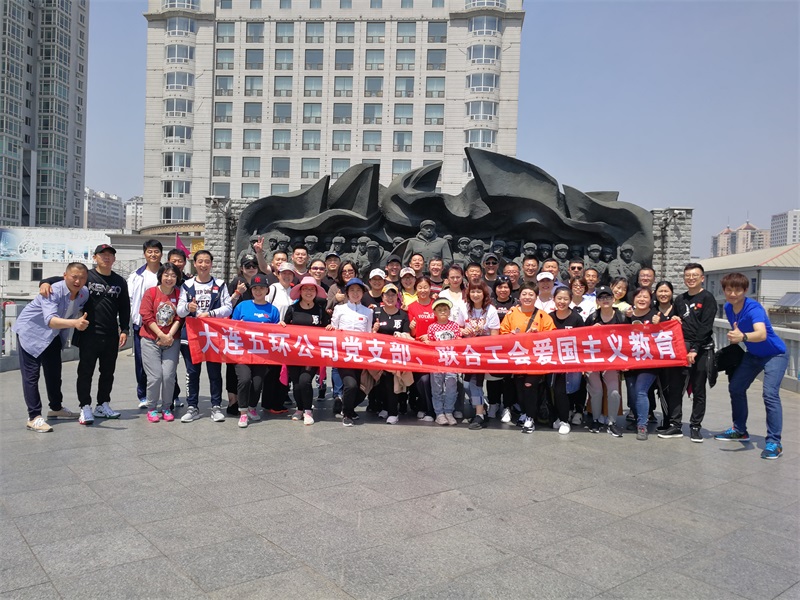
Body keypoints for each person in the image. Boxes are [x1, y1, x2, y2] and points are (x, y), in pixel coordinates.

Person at [39, 244, 130, 424]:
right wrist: (45, 282)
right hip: (88, 332)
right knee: (85, 371)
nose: (106, 257)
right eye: (102, 254)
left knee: (108, 372)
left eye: (110, 255)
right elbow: (61, 279)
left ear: (114, 259)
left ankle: (102, 404)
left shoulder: (120, 281)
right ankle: (85, 406)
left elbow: (124, 307)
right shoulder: (85, 276)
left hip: (110, 333)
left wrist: (125, 329)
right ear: (95, 257)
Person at [715, 272, 788, 459]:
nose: (733, 294)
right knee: (736, 387)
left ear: (745, 290)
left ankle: (774, 442)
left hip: (775, 354)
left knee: (770, 394)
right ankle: (739, 430)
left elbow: (761, 334)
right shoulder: (729, 308)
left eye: (737, 290)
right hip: (753, 354)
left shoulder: (754, 308)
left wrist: (743, 337)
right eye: (729, 290)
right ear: (724, 291)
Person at [14, 263, 90, 432]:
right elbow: (50, 320)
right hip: (31, 332)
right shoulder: (52, 291)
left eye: (82, 278)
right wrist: (75, 323)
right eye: (74, 277)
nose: (78, 281)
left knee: (54, 373)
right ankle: (34, 417)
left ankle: (56, 408)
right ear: (65, 276)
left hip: (53, 335)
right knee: (31, 375)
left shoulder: (84, 293)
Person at [176, 250, 233, 423]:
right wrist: (188, 307)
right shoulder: (187, 285)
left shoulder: (220, 284)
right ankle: (192, 406)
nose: (203, 265)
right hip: (192, 334)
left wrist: (211, 313)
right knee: (192, 372)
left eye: (207, 261)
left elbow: (228, 307)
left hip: (213, 335)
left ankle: (216, 406)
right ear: (194, 264)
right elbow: (179, 310)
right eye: (200, 261)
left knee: (215, 372)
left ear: (211, 264)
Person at [499, 281, 556, 433]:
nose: (527, 297)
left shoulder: (543, 315)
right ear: (519, 296)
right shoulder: (511, 314)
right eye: (524, 294)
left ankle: (531, 417)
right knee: (519, 387)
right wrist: (511, 335)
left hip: (536, 361)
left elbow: (552, 336)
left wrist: (539, 335)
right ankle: (524, 412)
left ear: (536, 297)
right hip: (518, 359)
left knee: (529, 386)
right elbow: (502, 333)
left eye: (531, 294)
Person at [230, 274, 282, 428]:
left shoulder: (273, 310)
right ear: (251, 290)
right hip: (242, 352)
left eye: (262, 288)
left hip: (262, 354)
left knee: (258, 383)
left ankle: (252, 407)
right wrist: (238, 326)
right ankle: (243, 411)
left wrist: (281, 326)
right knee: (245, 379)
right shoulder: (242, 306)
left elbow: (276, 332)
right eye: (255, 288)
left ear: (267, 290)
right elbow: (231, 328)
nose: (258, 291)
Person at [674, 262, 716, 442]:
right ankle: (675, 424)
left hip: (701, 349)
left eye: (694, 275)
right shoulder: (680, 299)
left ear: (702, 278)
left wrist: (695, 349)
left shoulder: (707, 298)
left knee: (699, 389)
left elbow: (706, 326)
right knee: (677, 388)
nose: (691, 279)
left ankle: (695, 426)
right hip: (681, 349)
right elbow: (675, 321)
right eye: (688, 276)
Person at [139, 263, 183, 423]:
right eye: (166, 275)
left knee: (169, 376)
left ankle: (166, 407)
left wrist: (169, 335)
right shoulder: (151, 292)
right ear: (160, 276)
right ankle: (151, 408)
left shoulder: (179, 294)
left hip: (172, 340)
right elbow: (146, 316)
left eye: (173, 275)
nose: (169, 278)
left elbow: (179, 317)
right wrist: (160, 334)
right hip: (151, 339)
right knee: (155, 376)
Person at [328, 278, 373, 426]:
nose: (355, 293)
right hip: (343, 355)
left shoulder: (368, 312)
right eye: (352, 290)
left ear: (363, 293)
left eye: (358, 290)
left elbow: (368, 334)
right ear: (347, 293)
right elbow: (334, 328)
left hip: (360, 356)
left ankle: (350, 409)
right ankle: (346, 414)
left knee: (359, 387)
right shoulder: (339, 309)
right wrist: (330, 329)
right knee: (350, 385)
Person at [584, 286, 626, 437]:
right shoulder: (592, 318)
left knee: (614, 392)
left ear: (613, 299)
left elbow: (629, 339)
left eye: (608, 297)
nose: (605, 300)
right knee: (596, 390)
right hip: (594, 359)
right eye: (601, 298)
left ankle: (611, 422)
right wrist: (591, 330)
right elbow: (582, 339)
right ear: (597, 301)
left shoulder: (621, 317)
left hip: (613, 361)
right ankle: (595, 419)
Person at [128, 239, 163, 408]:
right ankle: (143, 396)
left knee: (168, 364)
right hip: (142, 325)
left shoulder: (167, 273)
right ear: (144, 254)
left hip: (165, 326)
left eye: (156, 251)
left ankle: (172, 395)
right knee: (141, 362)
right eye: (150, 251)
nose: (153, 254)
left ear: (161, 254)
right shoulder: (136, 276)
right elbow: (129, 299)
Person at [224, 253, 260, 415]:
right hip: (235, 333)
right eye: (247, 266)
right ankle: (233, 400)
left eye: (254, 265)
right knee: (233, 368)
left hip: (254, 335)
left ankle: (246, 400)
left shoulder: (259, 283)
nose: (251, 268)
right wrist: (237, 293)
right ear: (241, 268)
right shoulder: (236, 282)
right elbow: (226, 306)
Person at [371, 283, 413, 424]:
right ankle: (385, 407)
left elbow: (406, 335)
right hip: (379, 354)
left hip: (396, 355)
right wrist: (374, 330)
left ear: (397, 298)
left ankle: (393, 412)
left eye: (393, 295)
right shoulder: (376, 313)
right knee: (380, 381)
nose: (390, 298)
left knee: (390, 379)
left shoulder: (403, 315)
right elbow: (368, 334)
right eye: (387, 295)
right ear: (382, 297)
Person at [461, 281, 500, 429]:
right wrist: (462, 331)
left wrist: (481, 337)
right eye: (472, 291)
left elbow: (495, 334)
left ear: (484, 294)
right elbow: (457, 327)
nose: (475, 295)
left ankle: (479, 415)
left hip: (483, 352)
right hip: (468, 351)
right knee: (466, 384)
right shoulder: (464, 308)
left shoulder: (491, 310)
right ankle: (481, 406)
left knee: (475, 382)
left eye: (479, 291)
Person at [652, 281, 687, 439]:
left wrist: (679, 321)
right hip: (659, 358)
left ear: (671, 293)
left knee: (675, 390)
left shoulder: (678, 309)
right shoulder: (653, 311)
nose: (663, 294)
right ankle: (667, 421)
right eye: (660, 291)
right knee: (663, 390)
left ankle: (676, 423)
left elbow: (687, 328)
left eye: (666, 291)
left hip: (676, 358)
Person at [549, 286, 585, 435]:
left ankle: (565, 421)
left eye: (565, 299)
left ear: (570, 300)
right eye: (559, 298)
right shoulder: (549, 317)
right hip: (551, 361)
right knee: (551, 390)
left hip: (570, 361)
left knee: (562, 390)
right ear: (554, 299)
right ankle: (558, 416)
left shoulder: (576, 318)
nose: (562, 301)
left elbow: (582, 341)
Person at [624, 287, 659, 440]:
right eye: (639, 296)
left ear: (650, 300)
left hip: (649, 362)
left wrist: (659, 324)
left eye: (645, 297)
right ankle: (639, 418)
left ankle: (642, 426)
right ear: (633, 299)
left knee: (640, 391)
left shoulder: (656, 316)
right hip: (631, 362)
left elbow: (666, 334)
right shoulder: (628, 316)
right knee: (632, 394)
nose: (642, 299)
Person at [424, 298, 462, 426]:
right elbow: (430, 344)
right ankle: (439, 413)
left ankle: (449, 411)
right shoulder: (432, 327)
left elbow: (458, 341)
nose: (443, 312)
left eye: (445, 309)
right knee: (437, 388)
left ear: (449, 311)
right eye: (439, 310)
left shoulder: (455, 326)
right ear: (434, 312)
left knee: (452, 387)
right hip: (436, 363)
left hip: (451, 362)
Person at [407, 276, 437, 421]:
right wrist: (412, 328)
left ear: (430, 288)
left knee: (433, 381)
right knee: (423, 380)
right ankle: (424, 407)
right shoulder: (411, 307)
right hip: (418, 350)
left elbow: (441, 325)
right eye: (420, 287)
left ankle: (433, 409)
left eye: (426, 287)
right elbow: (412, 333)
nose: (423, 290)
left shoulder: (436, 304)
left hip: (434, 349)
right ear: (416, 289)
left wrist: (430, 337)